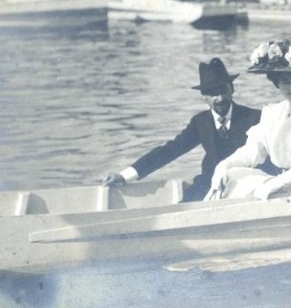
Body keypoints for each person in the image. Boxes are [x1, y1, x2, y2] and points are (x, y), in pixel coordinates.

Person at [101, 58, 261, 202]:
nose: (220, 98)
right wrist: (125, 175)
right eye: (212, 93)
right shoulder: (200, 122)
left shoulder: (254, 118)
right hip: (208, 182)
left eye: (223, 90)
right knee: (185, 206)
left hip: (245, 182)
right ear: (203, 96)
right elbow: (170, 150)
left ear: (231, 89)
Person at [205, 37, 291, 201]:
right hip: (281, 187)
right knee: (232, 175)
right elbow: (250, 152)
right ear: (277, 84)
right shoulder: (272, 112)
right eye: (286, 82)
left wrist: (276, 183)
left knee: (257, 191)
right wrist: (223, 166)